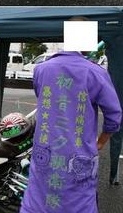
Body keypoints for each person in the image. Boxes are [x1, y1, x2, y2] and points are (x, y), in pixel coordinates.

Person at [21, 49, 122, 213]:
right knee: (79, 199)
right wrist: (101, 142)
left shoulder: (41, 69)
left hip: (45, 154)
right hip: (79, 157)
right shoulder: (95, 73)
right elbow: (114, 116)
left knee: (39, 197)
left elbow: (41, 96)